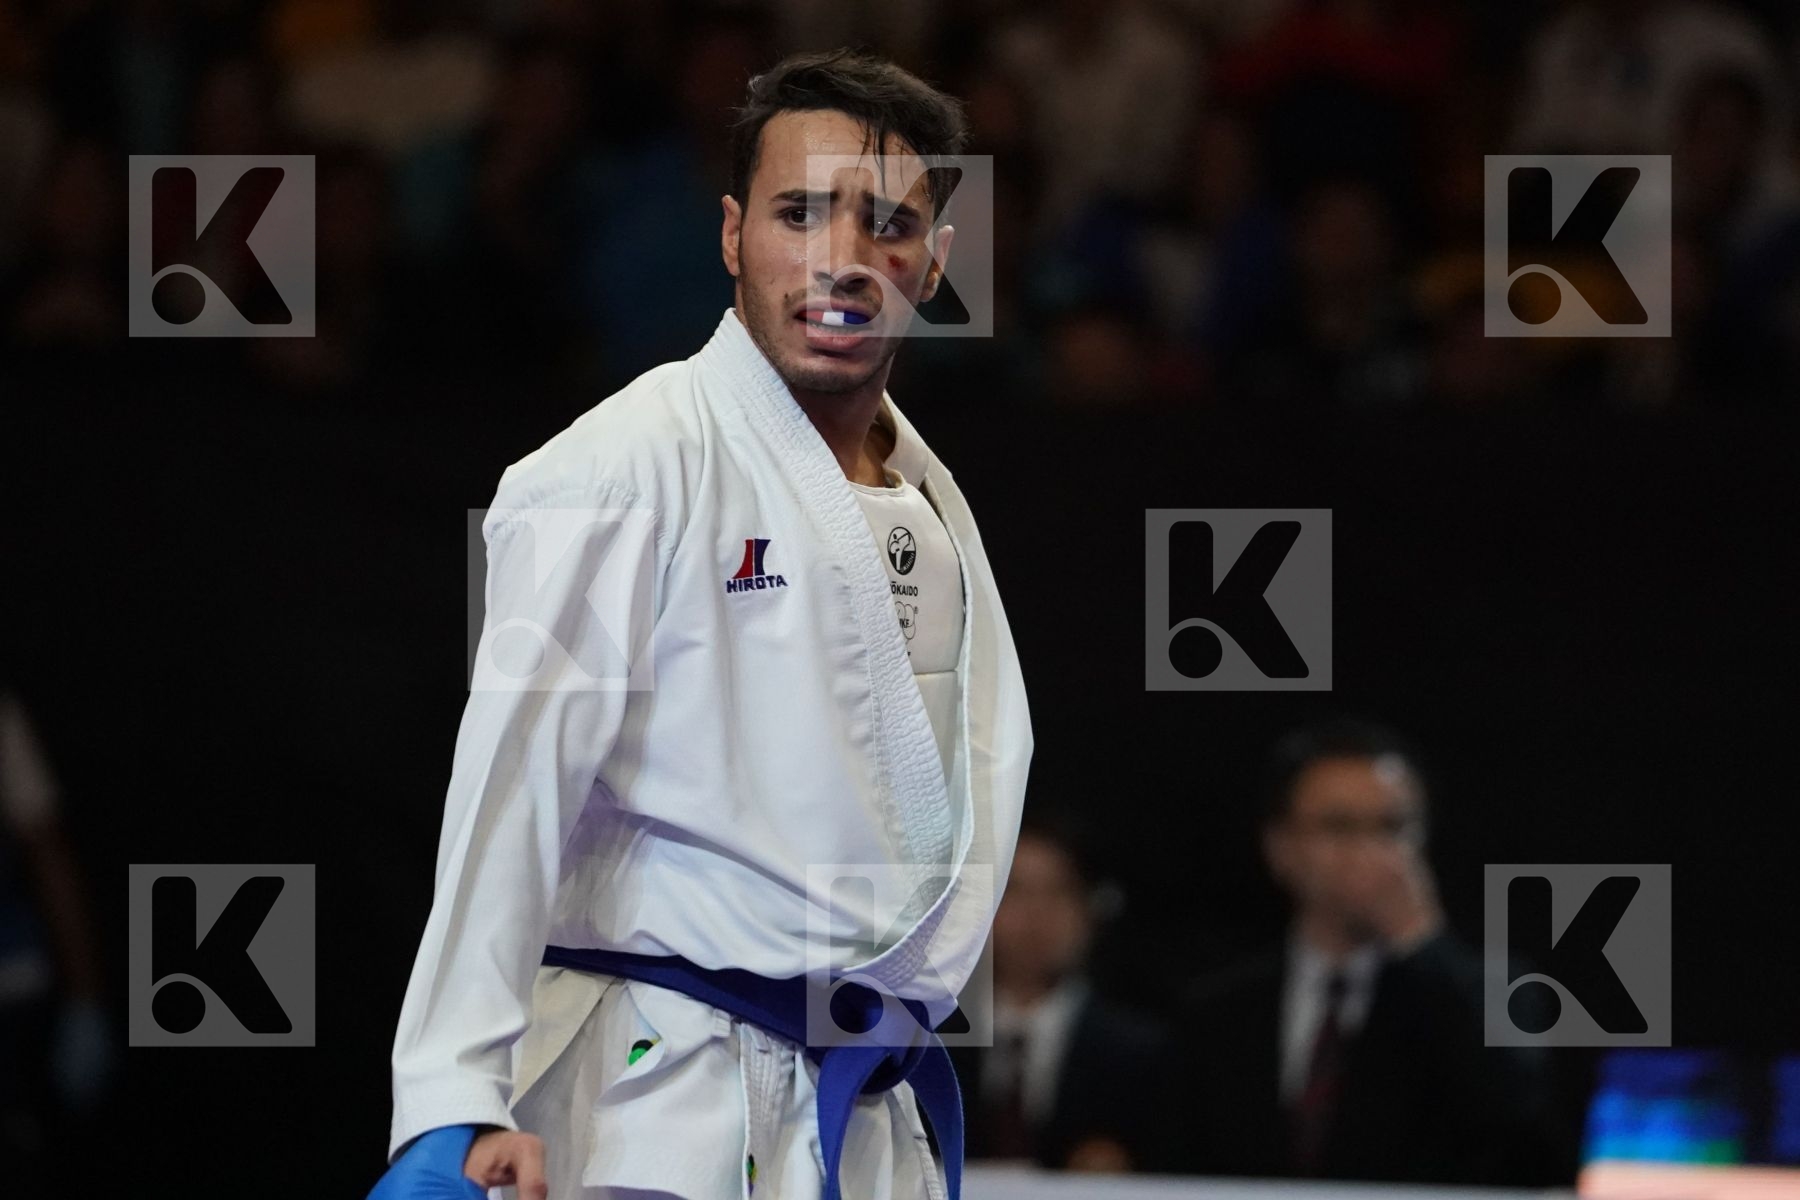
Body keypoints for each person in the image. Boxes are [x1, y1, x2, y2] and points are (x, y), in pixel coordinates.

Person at [367, 48, 1033, 1200]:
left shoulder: (929, 497)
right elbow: (510, 786)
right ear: (731, 237)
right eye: (799, 212)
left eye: (888, 222)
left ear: (935, 261)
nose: (842, 258)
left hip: (861, 1112)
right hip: (661, 1101)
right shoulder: (624, 467)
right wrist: (450, 1098)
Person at [1173, 718, 1561, 1186]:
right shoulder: (1216, 1011)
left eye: (1392, 828)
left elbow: (1519, 1114)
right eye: (1339, 827)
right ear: (1281, 848)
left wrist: (1420, 940)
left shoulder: (1491, 990)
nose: (1368, 852)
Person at [951, 812, 1174, 1172]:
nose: (1036, 915)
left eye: (1058, 891)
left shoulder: (1141, 1055)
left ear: (1092, 910)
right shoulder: (927, 1044)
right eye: (1015, 891)